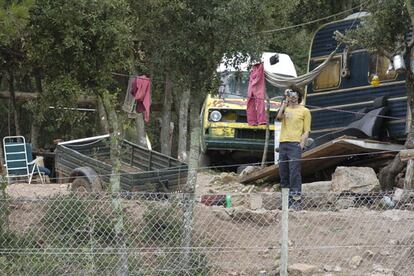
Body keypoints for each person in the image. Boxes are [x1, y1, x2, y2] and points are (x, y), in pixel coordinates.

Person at [276, 86, 311, 209]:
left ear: (299, 96)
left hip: (294, 145)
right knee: (283, 173)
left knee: (294, 173)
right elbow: (278, 117)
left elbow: (306, 131)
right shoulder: (285, 109)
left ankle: (296, 201)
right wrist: (285, 101)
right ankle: (286, 202)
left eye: (295, 93)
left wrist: (301, 144)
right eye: (291, 93)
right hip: (283, 144)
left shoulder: (305, 111)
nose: (293, 96)